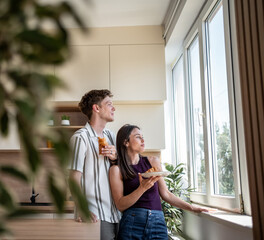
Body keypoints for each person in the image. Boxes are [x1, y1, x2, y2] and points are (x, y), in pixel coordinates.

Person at [109, 124, 208, 240]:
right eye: (138, 137)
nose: (143, 140)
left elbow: (166, 194)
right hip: (132, 221)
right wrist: (142, 188)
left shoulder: (153, 161)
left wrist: (191, 208)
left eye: (143, 136)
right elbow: (120, 205)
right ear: (126, 142)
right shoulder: (116, 169)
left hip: (157, 221)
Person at [69, 89, 121, 240]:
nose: (114, 108)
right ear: (96, 108)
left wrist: (115, 157)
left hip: (117, 213)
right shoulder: (80, 138)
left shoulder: (111, 136)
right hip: (95, 214)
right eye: (109, 104)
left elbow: (121, 170)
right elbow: (73, 178)